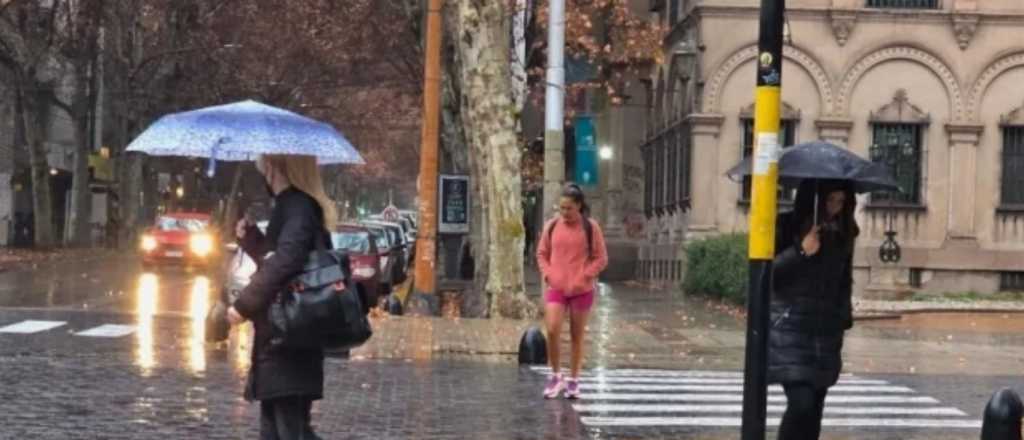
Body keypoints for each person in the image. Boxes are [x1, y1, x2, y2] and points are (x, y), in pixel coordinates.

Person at [227, 154, 338, 440]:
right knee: (278, 427)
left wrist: (242, 306)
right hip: (281, 336)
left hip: (290, 337)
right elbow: (277, 257)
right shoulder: (290, 207)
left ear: (275, 165)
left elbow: (284, 262)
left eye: (262, 161)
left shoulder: (298, 208)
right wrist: (250, 237)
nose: (258, 166)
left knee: (287, 429)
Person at [769, 179, 859, 440]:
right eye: (831, 201)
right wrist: (801, 251)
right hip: (791, 328)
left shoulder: (844, 233)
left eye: (841, 202)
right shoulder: (786, 225)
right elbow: (769, 275)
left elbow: (844, 281)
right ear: (815, 199)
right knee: (801, 404)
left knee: (814, 412)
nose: (835, 208)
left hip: (825, 333)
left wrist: (843, 319)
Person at [537, 183, 608, 399]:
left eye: (568, 208)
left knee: (577, 336)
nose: (564, 213)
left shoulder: (590, 227)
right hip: (556, 286)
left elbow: (601, 258)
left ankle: (574, 380)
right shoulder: (551, 226)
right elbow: (541, 253)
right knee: (552, 329)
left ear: (579, 206)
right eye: (561, 208)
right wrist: (548, 274)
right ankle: (555, 376)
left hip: (582, 289)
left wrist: (586, 274)